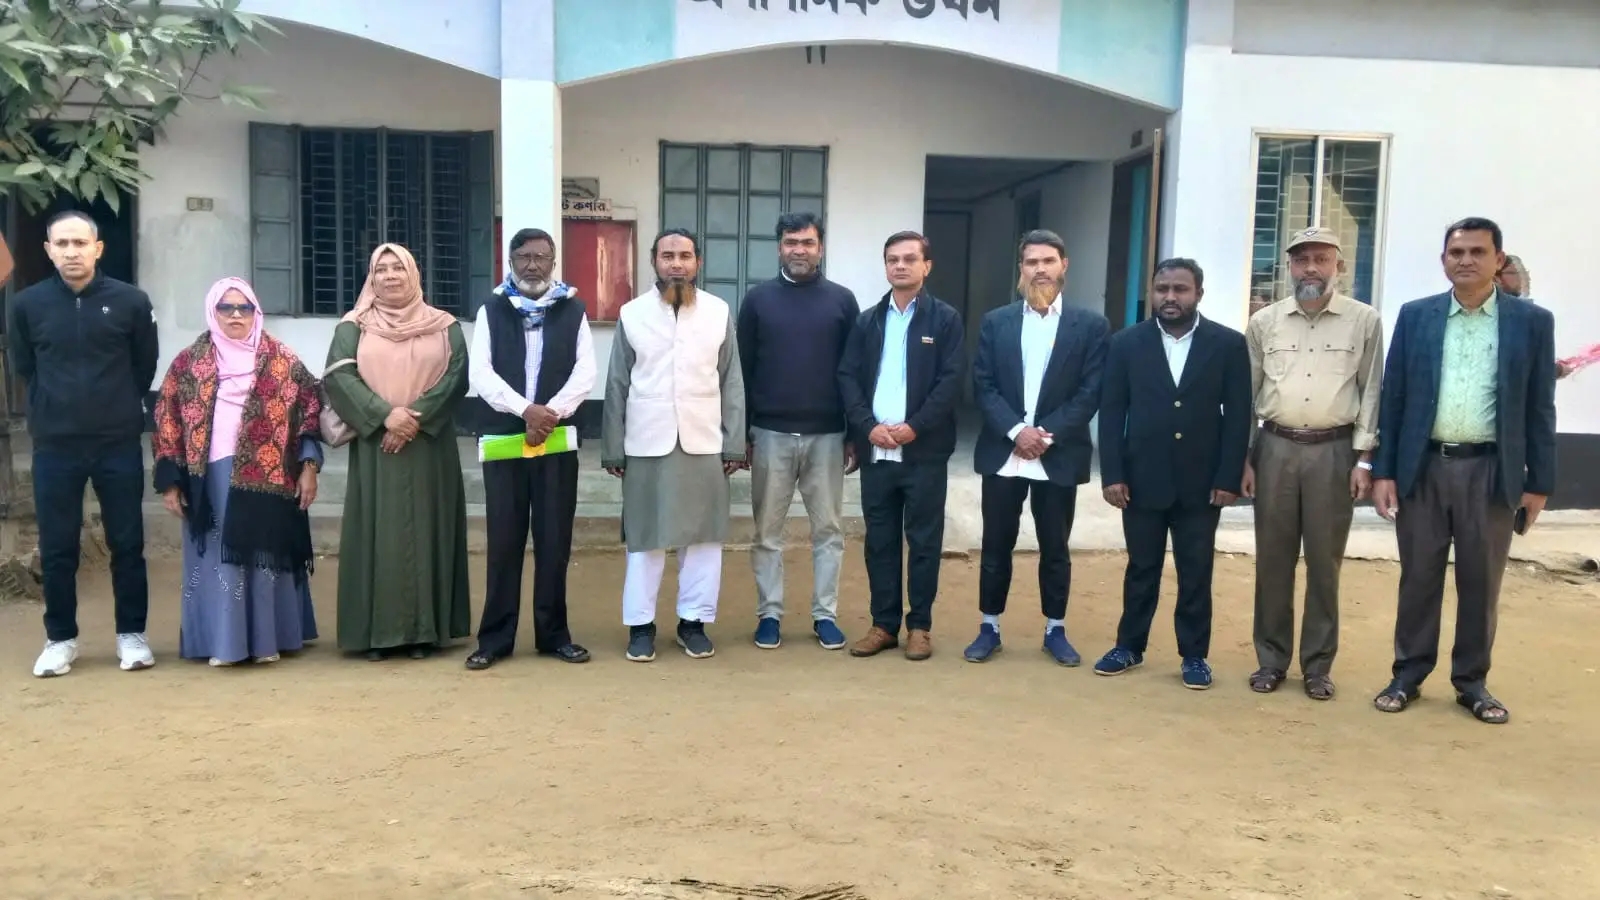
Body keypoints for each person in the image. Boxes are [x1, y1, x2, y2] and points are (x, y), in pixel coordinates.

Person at [1371, 217, 1556, 725]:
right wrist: (1384, 471)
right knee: (1418, 577)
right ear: (1444, 261)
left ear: (1499, 260)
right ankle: (1407, 674)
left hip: (1492, 473)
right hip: (1423, 468)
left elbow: (1540, 406)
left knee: (1481, 581)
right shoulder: (1417, 316)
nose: (1466, 260)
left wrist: (1539, 482)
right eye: (1456, 253)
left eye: (1478, 252)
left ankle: (1471, 682)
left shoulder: (1531, 323)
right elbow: (1394, 396)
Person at [9, 210, 158, 677]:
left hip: (117, 443)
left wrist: (116, 404)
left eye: (80, 243)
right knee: (57, 547)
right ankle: (60, 639)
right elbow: (25, 365)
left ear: (98, 248)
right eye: (62, 244)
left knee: (127, 542)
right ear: (48, 250)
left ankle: (131, 635)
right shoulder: (28, 305)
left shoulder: (131, 301)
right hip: (56, 445)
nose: (71, 252)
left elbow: (144, 365)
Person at [1093, 259, 1252, 688]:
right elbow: (1112, 412)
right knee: (1141, 567)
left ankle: (1195, 655)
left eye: (1180, 289)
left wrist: (1228, 477)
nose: (1170, 297)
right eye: (1162, 288)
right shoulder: (1126, 344)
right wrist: (1112, 474)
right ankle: (1129, 645)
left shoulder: (1227, 344)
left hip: (1202, 483)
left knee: (1195, 571)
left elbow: (1238, 416)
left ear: (1198, 293)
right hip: (1141, 479)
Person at [1242, 226, 1383, 701]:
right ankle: (1271, 659)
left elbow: (1372, 392)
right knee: (1273, 561)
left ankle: (1318, 666)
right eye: (1301, 260)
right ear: (1289, 266)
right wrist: (1245, 458)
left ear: (1338, 266)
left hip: (1334, 452)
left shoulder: (1364, 321)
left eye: (1321, 259)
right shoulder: (1264, 322)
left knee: (1325, 563)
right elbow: (1248, 395)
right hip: (1275, 448)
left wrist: (1364, 459)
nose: (1311, 269)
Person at [152, 277, 323, 667]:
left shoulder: (282, 359)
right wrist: (171, 482)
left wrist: (309, 467)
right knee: (219, 556)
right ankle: (224, 642)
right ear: (212, 312)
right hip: (210, 474)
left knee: (263, 554)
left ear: (255, 312)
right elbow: (167, 420)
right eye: (225, 308)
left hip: (271, 477)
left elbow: (309, 414)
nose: (235, 315)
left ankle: (267, 640)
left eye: (244, 308)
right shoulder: (189, 363)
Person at [964, 229, 1108, 667]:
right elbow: (983, 384)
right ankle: (989, 626)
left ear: (1064, 266)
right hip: (1005, 452)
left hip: (1056, 453)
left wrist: (1045, 434)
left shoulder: (1090, 326)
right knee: (995, 544)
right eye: (1031, 262)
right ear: (1021, 269)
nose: (1040, 269)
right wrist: (1016, 431)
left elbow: (1090, 390)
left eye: (1048, 261)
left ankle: (1055, 629)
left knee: (1055, 547)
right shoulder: (997, 322)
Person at [602, 229, 745, 663]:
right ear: (654, 261)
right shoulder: (632, 314)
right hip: (646, 442)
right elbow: (617, 383)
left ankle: (693, 623)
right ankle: (641, 625)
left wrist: (734, 443)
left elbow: (732, 382)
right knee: (645, 539)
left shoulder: (719, 312)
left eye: (685, 255)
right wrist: (613, 446)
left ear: (698, 261)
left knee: (703, 539)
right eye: (668, 256)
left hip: (704, 441)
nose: (676, 264)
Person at [323, 243, 471, 661]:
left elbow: (456, 376)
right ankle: (378, 635)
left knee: (428, 532)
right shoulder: (354, 327)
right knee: (380, 536)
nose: (390, 276)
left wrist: (413, 420)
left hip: (429, 447)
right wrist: (384, 416)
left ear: (413, 273)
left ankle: (427, 631)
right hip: (377, 446)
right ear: (372, 278)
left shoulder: (444, 326)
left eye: (398, 268)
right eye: (381, 269)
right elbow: (340, 378)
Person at [463, 228, 595, 669]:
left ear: (553, 262)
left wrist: (549, 414)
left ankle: (554, 635)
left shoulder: (573, 310)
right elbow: (480, 373)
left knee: (554, 541)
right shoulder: (491, 310)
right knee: (504, 540)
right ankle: (495, 640)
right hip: (505, 440)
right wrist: (526, 411)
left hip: (555, 441)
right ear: (511, 261)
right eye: (524, 257)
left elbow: (585, 373)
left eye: (541, 257)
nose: (533, 265)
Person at [837, 231, 964, 662]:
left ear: (927, 266)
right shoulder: (868, 320)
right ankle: (883, 624)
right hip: (877, 451)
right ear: (885, 266)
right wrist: (867, 426)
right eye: (893, 259)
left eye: (910, 258)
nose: (901, 265)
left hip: (924, 452)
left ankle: (920, 627)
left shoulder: (945, 320)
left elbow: (951, 382)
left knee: (924, 541)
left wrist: (915, 427)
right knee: (880, 540)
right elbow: (848, 376)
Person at [736, 211, 859, 652]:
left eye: (807, 242)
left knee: (828, 532)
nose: (799, 250)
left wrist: (853, 433)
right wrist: (742, 433)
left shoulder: (842, 301)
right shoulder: (758, 300)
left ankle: (825, 615)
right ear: (779, 248)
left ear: (820, 248)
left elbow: (853, 371)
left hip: (827, 436)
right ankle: (769, 614)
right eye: (791, 242)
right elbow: (742, 370)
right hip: (770, 433)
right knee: (767, 533)